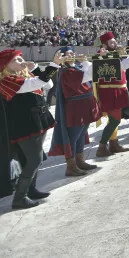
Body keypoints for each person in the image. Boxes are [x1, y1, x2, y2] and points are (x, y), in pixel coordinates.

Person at [0, 49, 62, 209]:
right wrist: (54, 64)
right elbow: (38, 83)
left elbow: (48, 84)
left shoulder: (25, 75)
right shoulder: (6, 79)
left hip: (37, 120)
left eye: (22, 59)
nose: (22, 62)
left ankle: (31, 190)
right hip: (24, 124)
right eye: (17, 60)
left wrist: (34, 68)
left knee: (31, 159)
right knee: (34, 159)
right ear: (6, 65)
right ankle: (20, 197)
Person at [48, 47, 102, 176]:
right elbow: (93, 73)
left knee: (81, 135)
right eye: (69, 53)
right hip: (76, 109)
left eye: (73, 52)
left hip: (85, 105)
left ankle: (80, 160)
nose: (72, 54)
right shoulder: (67, 71)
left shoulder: (76, 68)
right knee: (73, 137)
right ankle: (71, 165)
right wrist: (85, 62)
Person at [95, 32, 129, 157]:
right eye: (112, 42)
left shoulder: (113, 54)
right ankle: (102, 146)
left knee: (116, 119)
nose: (115, 44)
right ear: (104, 45)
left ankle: (113, 143)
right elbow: (123, 66)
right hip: (110, 92)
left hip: (118, 90)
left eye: (114, 41)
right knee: (114, 120)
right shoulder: (101, 56)